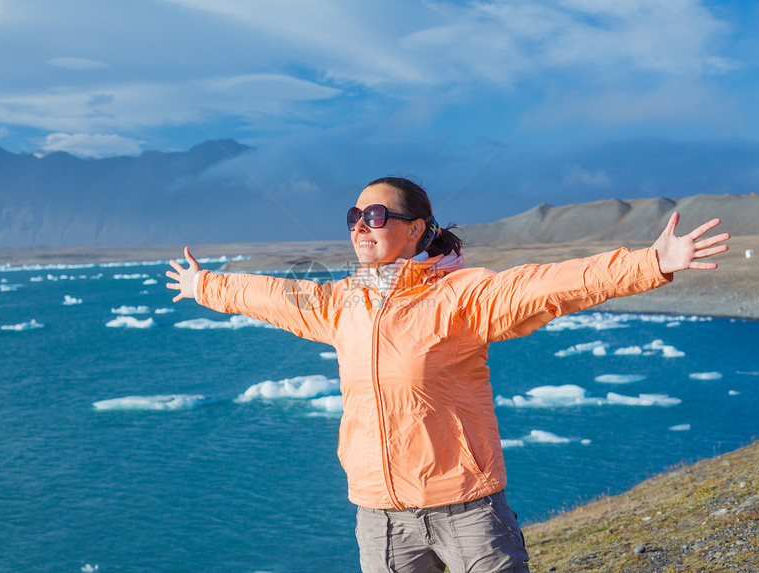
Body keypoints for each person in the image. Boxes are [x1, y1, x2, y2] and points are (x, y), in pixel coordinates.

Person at [166, 176, 729, 573]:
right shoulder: (341, 304)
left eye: (378, 215)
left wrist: (650, 263)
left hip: (467, 507)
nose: (362, 226)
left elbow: (545, 285)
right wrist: (203, 285)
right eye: (354, 217)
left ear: (418, 229)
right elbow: (274, 295)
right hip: (380, 515)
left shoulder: (460, 297)